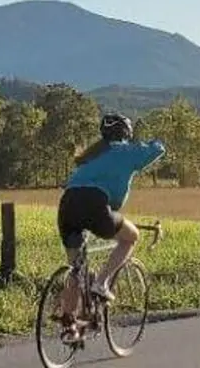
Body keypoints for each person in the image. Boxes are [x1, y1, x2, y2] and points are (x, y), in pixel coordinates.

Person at [54, 112, 165, 330]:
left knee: (76, 269)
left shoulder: (91, 155)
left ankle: (70, 323)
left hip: (67, 206)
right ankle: (101, 284)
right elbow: (158, 149)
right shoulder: (126, 151)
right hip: (96, 205)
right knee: (131, 237)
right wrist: (153, 140)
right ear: (126, 134)